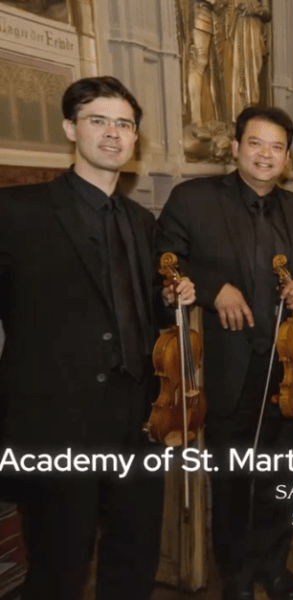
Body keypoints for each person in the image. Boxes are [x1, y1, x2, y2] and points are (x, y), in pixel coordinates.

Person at [0, 76, 195, 600]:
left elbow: (141, 309)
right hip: (58, 424)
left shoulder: (140, 220)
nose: (113, 134)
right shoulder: (16, 213)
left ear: (135, 138)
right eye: (98, 120)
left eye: (124, 124)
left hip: (138, 419)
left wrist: (171, 300)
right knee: (59, 569)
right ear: (70, 128)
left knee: (134, 556)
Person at [158, 106, 293, 600]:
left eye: (276, 147)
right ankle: (235, 575)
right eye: (255, 143)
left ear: (287, 158)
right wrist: (214, 289)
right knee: (232, 480)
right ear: (235, 147)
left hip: (287, 371)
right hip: (226, 368)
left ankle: (274, 566)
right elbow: (166, 259)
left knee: (280, 477)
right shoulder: (192, 199)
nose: (265, 155)